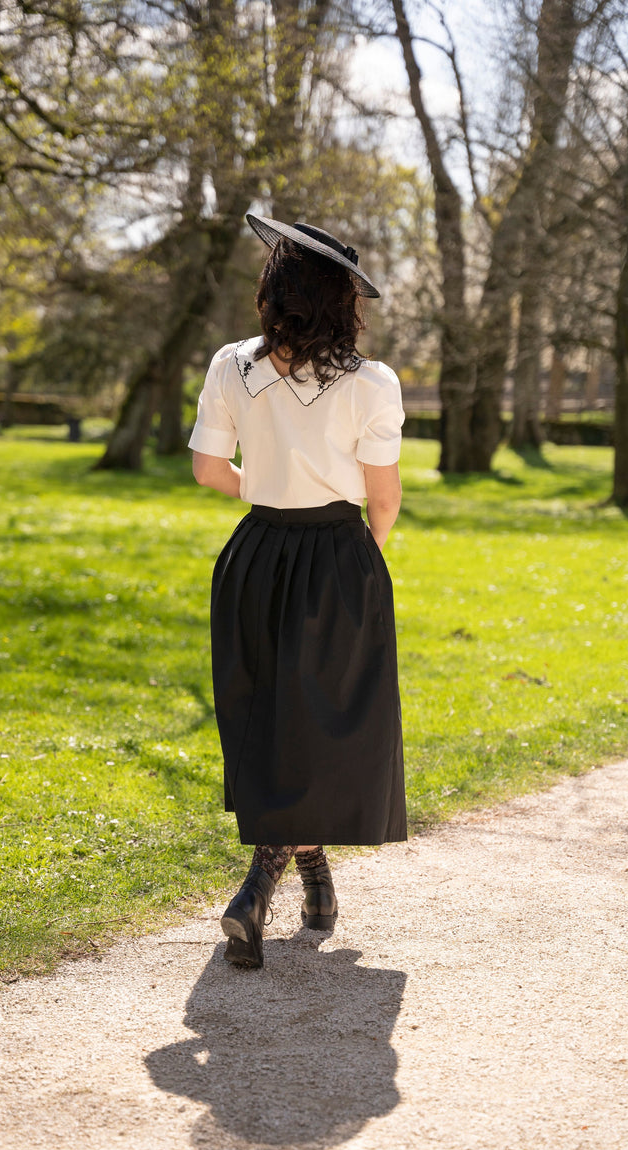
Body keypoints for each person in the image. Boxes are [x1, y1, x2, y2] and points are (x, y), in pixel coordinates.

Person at [189, 213, 406, 969]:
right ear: (342, 301)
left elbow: (211, 472)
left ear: (274, 294)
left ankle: (312, 878)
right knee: (328, 723)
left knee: (269, 717)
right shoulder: (371, 383)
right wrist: (358, 566)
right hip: (338, 553)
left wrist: (269, 493)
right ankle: (257, 889)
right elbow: (384, 501)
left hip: (253, 553)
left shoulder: (229, 366)